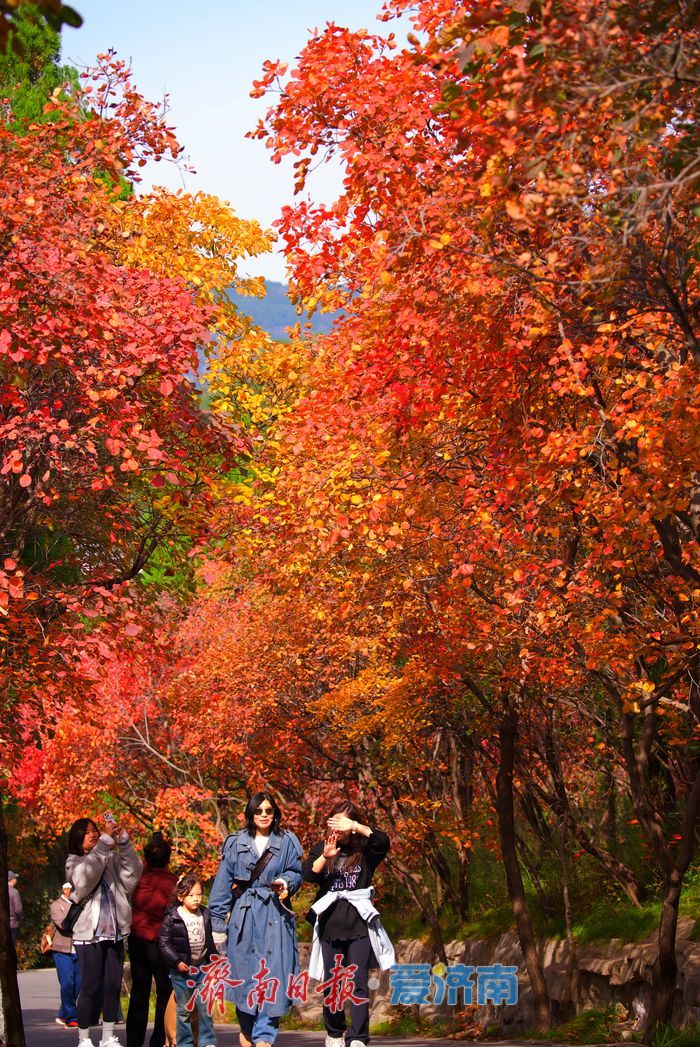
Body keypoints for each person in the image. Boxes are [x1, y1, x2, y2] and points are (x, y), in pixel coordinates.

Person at [208, 792, 303, 1047]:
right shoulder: (236, 842)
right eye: (259, 810)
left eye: (269, 811)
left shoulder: (287, 842)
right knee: (245, 975)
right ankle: (249, 1030)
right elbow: (222, 883)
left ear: (275, 814)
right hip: (244, 916)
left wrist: (287, 883)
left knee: (274, 974)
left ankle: (264, 1038)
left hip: (275, 914)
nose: (264, 815)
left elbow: (296, 872)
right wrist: (217, 924)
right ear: (250, 813)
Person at [302, 801, 394, 1047]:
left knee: (358, 983)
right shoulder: (323, 847)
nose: (338, 827)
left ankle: (358, 1037)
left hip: (359, 925)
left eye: (343, 822)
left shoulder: (364, 849)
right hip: (330, 925)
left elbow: (383, 842)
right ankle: (334, 1033)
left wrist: (356, 826)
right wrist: (325, 856)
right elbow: (309, 875)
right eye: (335, 821)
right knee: (333, 983)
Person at [65, 814, 142, 1047]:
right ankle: (84, 1038)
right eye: (87, 831)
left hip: (115, 931)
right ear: (78, 839)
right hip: (88, 934)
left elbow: (133, 873)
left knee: (112, 985)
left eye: (95, 829)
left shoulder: (108, 857)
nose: (93, 833)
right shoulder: (74, 861)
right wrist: (105, 841)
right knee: (91, 986)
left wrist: (124, 842)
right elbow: (84, 879)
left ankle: (108, 1036)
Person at [126, 832, 177, 1047]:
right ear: (168, 858)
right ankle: (159, 1039)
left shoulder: (138, 878)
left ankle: (134, 1041)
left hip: (137, 939)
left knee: (140, 990)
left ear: (146, 858)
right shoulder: (171, 882)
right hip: (159, 942)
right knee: (164, 990)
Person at [158, 874, 215, 1047]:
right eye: (191, 895)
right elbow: (164, 943)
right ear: (181, 897)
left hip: (201, 968)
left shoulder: (205, 914)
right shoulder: (172, 917)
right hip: (181, 971)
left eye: (199, 894)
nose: (196, 899)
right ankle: (185, 1042)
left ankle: (207, 1042)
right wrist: (176, 962)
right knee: (184, 1009)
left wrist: (213, 961)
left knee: (205, 1006)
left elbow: (209, 940)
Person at [50, 882, 83, 1028]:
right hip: (62, 951)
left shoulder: (81, 904)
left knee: (78, 984)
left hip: (79, 949)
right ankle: (71, 1017)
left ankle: (63, 1014)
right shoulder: (57, 905)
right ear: (66, 890)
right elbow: (63, 925)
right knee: (67, 983)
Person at [8, 870, 22, 945]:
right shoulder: (14, 892)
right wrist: (18, 919)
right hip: (12, 924)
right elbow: (18, 909)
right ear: (12, 880)